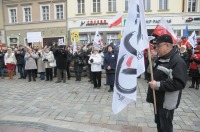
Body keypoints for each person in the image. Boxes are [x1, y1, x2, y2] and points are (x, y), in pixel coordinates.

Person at [146, 34, 187, 132]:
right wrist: (150, 60)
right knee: (159, 124)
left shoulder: (177, 61)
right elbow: (149, 74)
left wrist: (158, 85)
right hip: (157, 99)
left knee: (166, 127)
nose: (156, 49)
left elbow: (179, 83)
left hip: (167, 102)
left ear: (167, 46)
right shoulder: (159, 58)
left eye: (158, 46)